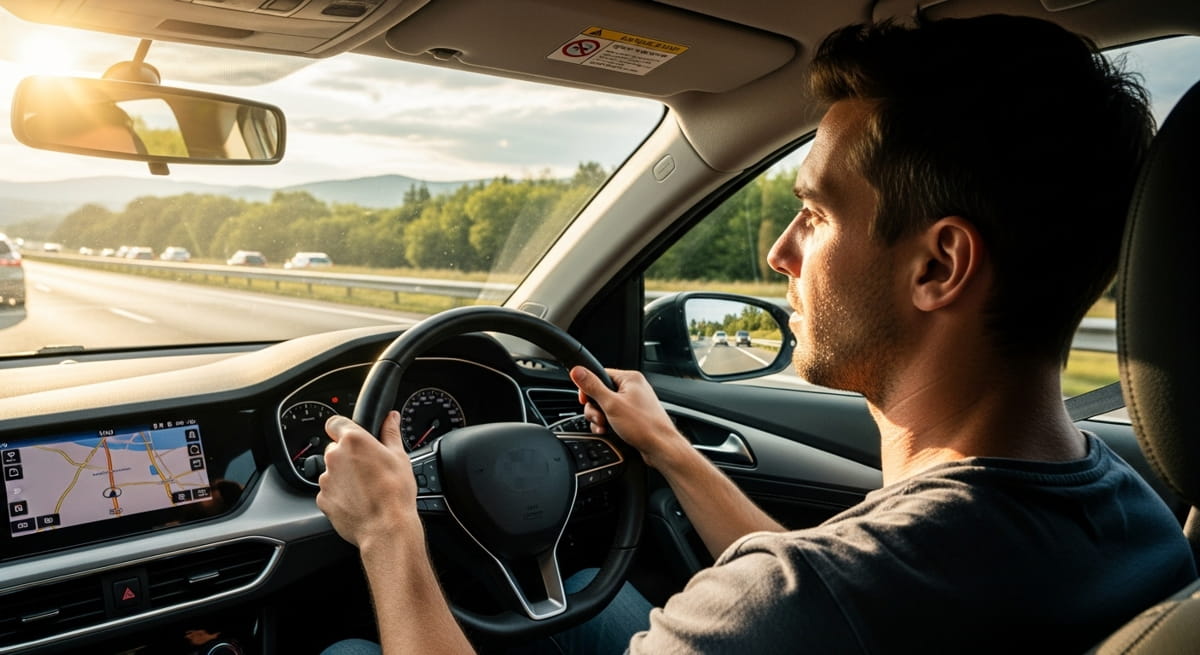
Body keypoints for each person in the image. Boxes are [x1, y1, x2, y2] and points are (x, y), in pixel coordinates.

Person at [315, 13, 1198, 654]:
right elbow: (821, 584)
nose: (781, 250)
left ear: (940, 265)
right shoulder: (1136, 516)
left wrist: (389, 529)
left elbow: (805, 593)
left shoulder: (801, 603)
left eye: (814, 213)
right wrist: (671, 450)